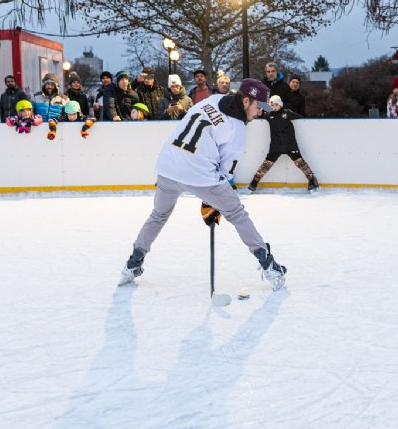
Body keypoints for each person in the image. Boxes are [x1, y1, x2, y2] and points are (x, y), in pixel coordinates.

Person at [119, 78, 288, 291]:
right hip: (199, 175)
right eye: (258, 106)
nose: (261, 112)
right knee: (237, 213)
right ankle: (269, 264)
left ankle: (134, 262)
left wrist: (211, 199)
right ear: (246, 101)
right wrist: (214, 201)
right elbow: (226, 172)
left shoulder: (213, 99)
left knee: (158, 215)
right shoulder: (237, 130)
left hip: (168, 166)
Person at [247, 95, 319, 193]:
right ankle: (254, 182)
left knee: (300, 163)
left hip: (290, 144)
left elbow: (301, 118)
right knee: (266, 165)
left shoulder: (287, 113)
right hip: (276, 146)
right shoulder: (269, 115)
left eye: (276, 104)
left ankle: (312, 180)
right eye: (272, 105)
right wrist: (258, 112)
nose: (274, 107)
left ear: (280, 105)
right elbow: (256, 116)